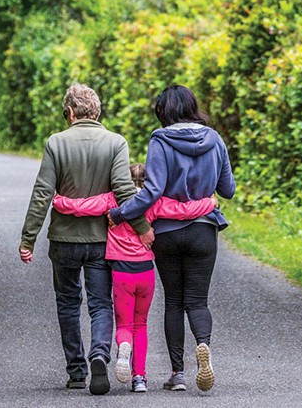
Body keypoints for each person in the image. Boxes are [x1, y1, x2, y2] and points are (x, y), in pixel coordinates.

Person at [19, 83, 153, 395]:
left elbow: (42, 194)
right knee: (100, 303)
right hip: (100, 241)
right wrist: (142, 227)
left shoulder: (56, 143)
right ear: (97, 112)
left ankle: (77, 372)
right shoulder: (115, 143)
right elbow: (123, 190)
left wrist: (28, 239)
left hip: (63, 240)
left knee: (67, 302)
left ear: (70, 112)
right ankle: (99, 354)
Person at [108, 85, 236, 392]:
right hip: (203, 229)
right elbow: (228, 189)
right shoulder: (215, 139)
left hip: (166, 232)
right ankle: (203, 346)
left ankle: (178, 374)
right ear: (193, 106)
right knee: (198, 300)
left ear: (163, 112)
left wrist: (121, 214)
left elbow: (152, 192)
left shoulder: (160, 139)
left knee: (174, 302)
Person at [52, 163, 219, 393]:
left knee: (124, 324)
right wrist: (208, 203)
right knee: (141, 323)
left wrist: (59, 200)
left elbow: (83, 206)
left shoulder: (112, 200)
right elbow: (182, 210)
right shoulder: (154, 201)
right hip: (145, 272)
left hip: (121, 272)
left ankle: (123, 349)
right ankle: (139, 378)